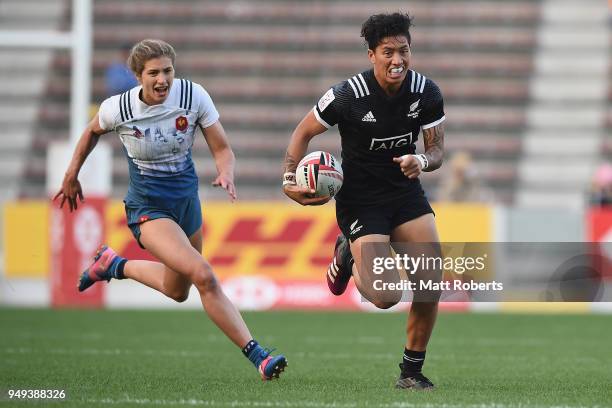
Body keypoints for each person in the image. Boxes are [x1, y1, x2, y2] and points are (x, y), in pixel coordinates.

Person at [54, 39, 287, 381]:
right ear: (137, 76)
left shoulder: (193, 96)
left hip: (187, 203)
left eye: (167, 71)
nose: (162, 80)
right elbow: (91, 132)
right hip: (148, 207)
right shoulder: (118, 108)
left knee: (177, 291)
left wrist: (226, 171)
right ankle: (260, 357)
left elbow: (222, 148)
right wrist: (71, 174)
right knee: (204, 275)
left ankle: (114, 264)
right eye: (153, 73)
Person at [283, 13, 444, 390]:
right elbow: (302, 132)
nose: (397, 60)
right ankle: (346, 251)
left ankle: (411, 372)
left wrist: (420, 161)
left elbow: (437, 150)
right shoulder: (346, 95)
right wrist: (289, 179)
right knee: (386, 296)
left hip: (405, 194)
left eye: (403, 51)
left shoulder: (427, 92)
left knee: (431, 279)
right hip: (361, 200)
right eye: (388, 52)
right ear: (371, 54)